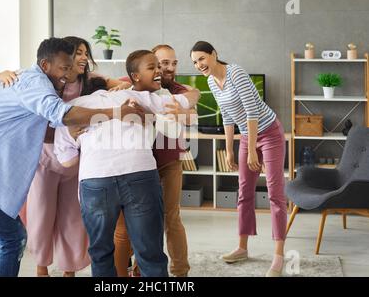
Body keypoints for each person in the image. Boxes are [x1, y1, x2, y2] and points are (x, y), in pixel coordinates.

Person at [0, 37, 144, 277]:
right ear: (45, 64)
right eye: (64, 67)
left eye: (71, 67)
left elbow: (47, 125)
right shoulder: (34, 83)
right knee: (13, 236)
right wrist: (116, 113)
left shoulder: (34, 80)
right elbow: (62, 114)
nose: (69, 74)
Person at [0, 36, 131, 277]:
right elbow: (4, 80)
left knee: (73, 218)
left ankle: (69, 270)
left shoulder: (92, 82)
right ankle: (41, 268)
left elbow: (124, 85)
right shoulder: (45, 79)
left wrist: (118, 87)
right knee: (41, 214)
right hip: (43, 157)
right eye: (78, 52)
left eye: (86, 53)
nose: (83, 57)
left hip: (75, 160)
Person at [54, 50, 196, 277]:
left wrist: (77, 137)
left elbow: (68, 160)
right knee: (149, 250)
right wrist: (194, 91)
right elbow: (186, 102)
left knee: (101, 252)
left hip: (96, 179)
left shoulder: (71, 111)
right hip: (139, 173)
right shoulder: (134, 97)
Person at [190, 41, 287, 277]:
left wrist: (253, 149)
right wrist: (230, 149)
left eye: (202, 58)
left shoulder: (236, 73)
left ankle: (279, 255)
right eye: (195, 62)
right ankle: (242, 247)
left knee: (275, 192)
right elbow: (227, 115)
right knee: (244, 191)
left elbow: (252, 111)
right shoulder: (212, 81)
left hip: (270, 133)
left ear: (214, 55)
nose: (199, 65)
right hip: (246, 136)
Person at [113, 44, 198, 277]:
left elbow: (193, 109)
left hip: (168, 162)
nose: (167, 69)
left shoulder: (176, 89)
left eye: (173, 63)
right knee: (129, 226)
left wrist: (185, 111)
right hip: (134, 165)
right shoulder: (130, 82)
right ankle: (132, 271)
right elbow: (106, 84)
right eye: (160, 64)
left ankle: (180, 273)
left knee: (171, 218)